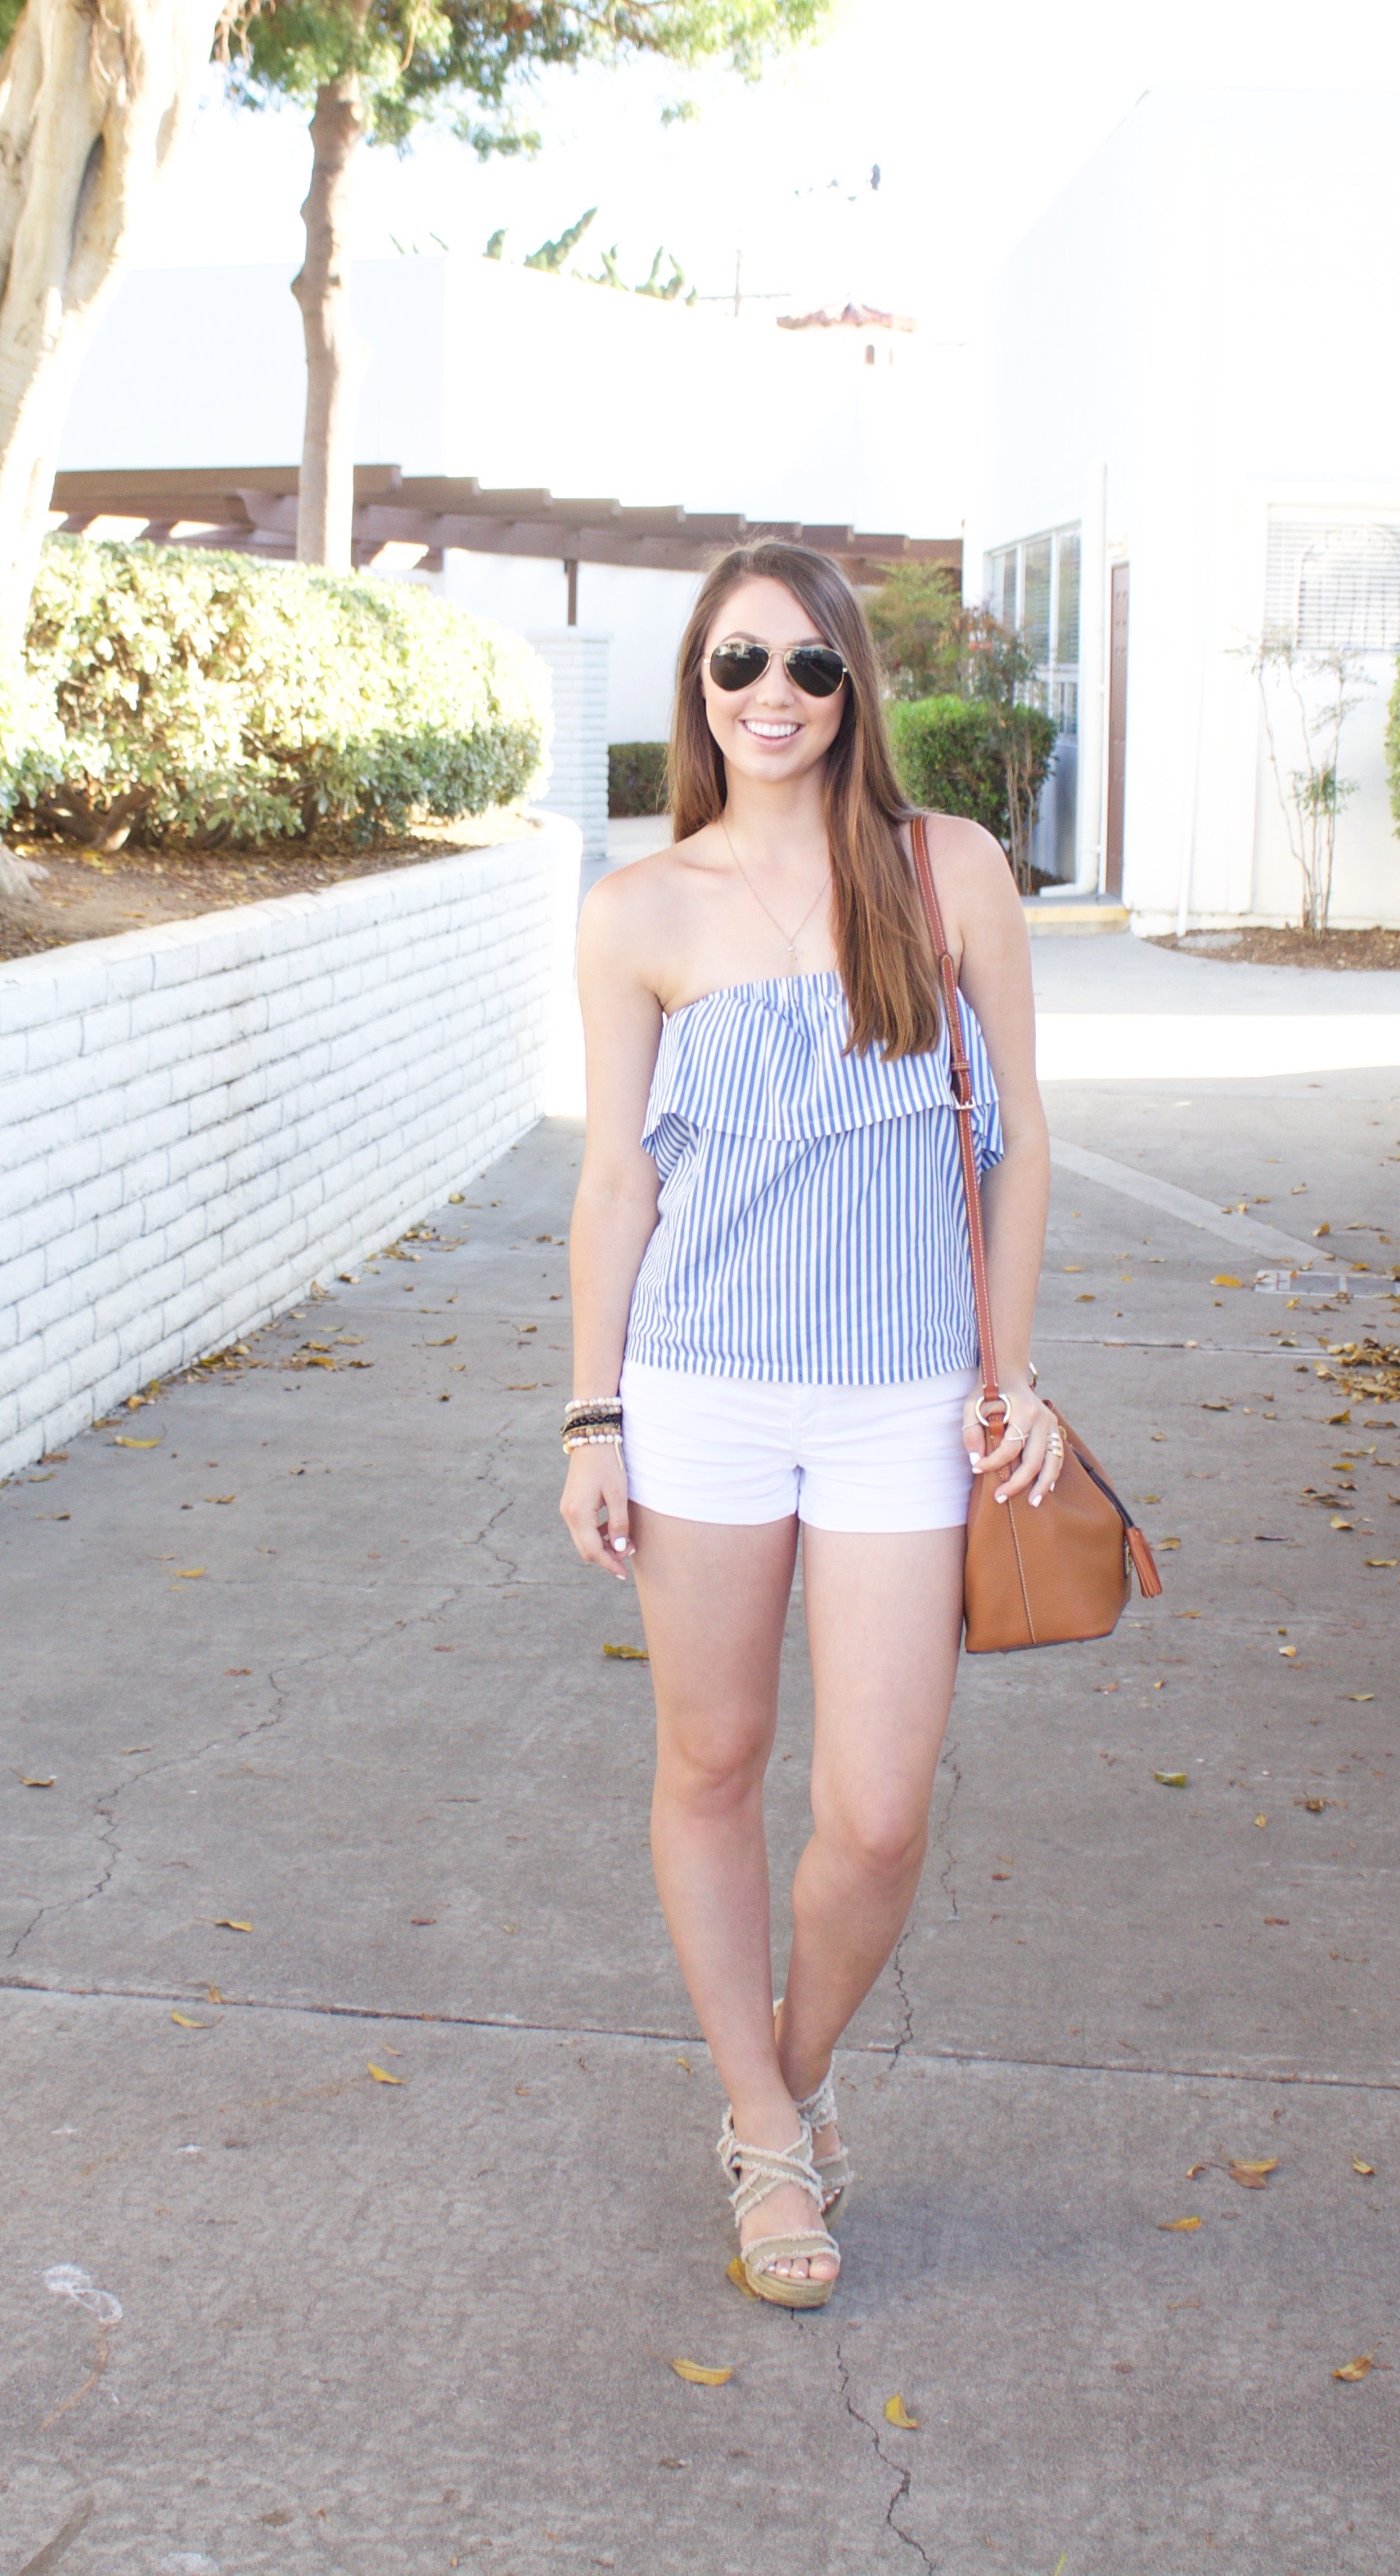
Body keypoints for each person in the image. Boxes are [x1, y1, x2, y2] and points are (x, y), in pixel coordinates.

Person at [558, 539, 1055, 2308]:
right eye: (736, 664)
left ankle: (791, 2067)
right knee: (709, 1764)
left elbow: (1014, 1144)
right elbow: (617, 1182)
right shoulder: (638, 913)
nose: (771, 695)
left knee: (876, 1815)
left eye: (807, 668)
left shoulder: (949, 871)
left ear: (854, 689)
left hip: (905, 1403)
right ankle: (769, 2138)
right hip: (699, 1394)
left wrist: (1011, 1372)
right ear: (697, 690)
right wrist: (591, 1413)